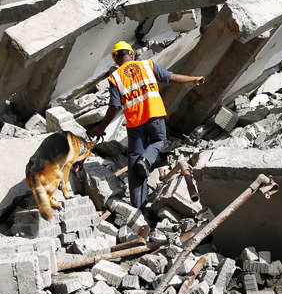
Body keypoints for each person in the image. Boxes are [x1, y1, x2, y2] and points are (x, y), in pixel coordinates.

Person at [87, 41, 205, 209]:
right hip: (154, 115)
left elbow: (114, 106)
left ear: (115, 59)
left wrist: (101, 128)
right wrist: (193, 79)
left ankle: (138, 206)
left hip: (135, 123)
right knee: (158, 140)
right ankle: (147, 160)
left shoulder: (116, 77)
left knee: (134, 163)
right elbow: (171, 77)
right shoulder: (147, 65)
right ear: (132, 54)